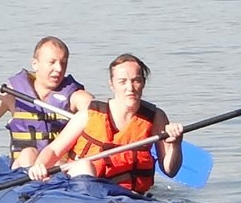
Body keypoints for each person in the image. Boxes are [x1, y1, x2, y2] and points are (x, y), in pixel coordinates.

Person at [32, 54, 183, 195]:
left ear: (143, 83)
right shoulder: (89, 114)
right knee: (84, 165)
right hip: (83, 193)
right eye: (122, 82)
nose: (130, 88)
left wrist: (176, 144)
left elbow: (170, 170)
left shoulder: (156, 117)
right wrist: (39, 166)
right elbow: (53, 150)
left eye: (136, 80)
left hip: (130, 196)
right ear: (112, 85)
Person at [0, 36, 91, 168]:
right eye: (52, 62)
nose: (59, 68)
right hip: (22, 167)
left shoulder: (74, 96)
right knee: (28, 154)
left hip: (57, 168)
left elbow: (95, 110)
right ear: (35, 64)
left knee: (60, 162)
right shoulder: (12, 93)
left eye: (63, 62)